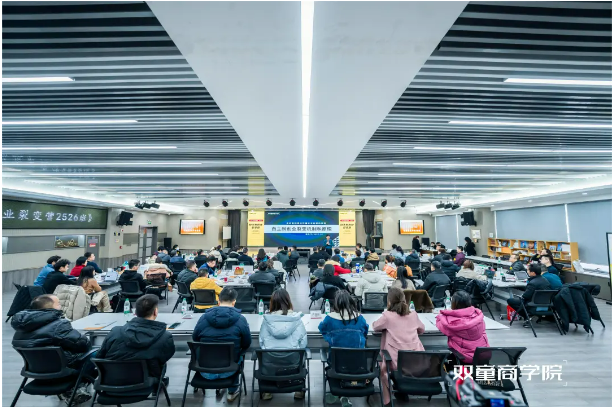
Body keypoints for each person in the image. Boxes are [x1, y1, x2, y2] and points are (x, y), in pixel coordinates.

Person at [12, 294, 96, 403]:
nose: (60, 306)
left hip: (36, 372)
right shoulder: (59, 325)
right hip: (63, 371)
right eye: (58, 304)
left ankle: (74, 389)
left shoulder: (20, 328)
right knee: (97, 353)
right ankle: (77, 387)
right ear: (50, 308)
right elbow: (82, 344)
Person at [97, 294, 175, 381]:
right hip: (146, 384)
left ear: (135, 312)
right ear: (155, 312)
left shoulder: (115, 332)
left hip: (110, 383)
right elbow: (164, 358)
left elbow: (100, 356)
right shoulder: (165, 337)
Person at [192, 288, 251, 402]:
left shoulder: (204, 318)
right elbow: (246, 343)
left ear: (218, 301)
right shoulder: (241, 320)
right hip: (230, 370)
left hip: (205, 370)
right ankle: (231, 391)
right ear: (234, 302)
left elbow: (195, 338)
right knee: (239, 355)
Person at [373, 287, 425, 405]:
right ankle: (401, 390)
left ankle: (388, 399)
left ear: (389, 301)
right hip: (415, 359)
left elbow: (375, 327)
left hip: (395, 361)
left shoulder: (387, 316)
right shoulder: (413, 314)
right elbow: (422, 330)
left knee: (383, 368)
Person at [319, 290, 369, 407]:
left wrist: (331, 338)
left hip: (336, 364)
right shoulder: (359, 318)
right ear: (351, 302)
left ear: (336, 304)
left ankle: (339, 393)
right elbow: (365, 332)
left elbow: (322, 329)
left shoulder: (330, 319)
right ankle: (343, 394)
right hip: (358, 364)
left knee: (333, 356)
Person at [259, 289, 307, 400]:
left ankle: (266, 392)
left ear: (272, 303)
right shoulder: (296, 319)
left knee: (264, 355)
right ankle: (298, 391)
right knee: (302, 353)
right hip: (293, 363)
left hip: (269, 364)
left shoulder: (266, 320)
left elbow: (261, 342)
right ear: (288, 302)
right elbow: (303, 343)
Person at [436, 290, 489, 364]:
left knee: (437, 360)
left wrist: (445, 314)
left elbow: (439, 324)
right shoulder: (478, 316)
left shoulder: (451, 322)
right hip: (483, 354)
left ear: (453, 304)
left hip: (464, 357)